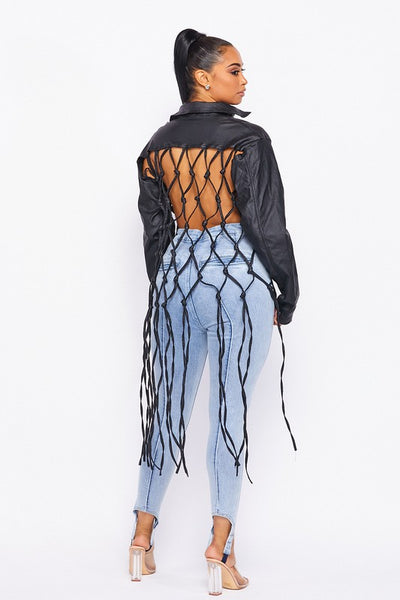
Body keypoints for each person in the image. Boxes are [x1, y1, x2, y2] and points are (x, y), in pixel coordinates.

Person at [128, 28, 300, 594]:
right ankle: (219, 550)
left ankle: (141, 538)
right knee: (228, 412)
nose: (244, 79)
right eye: (234, 69)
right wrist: (287, 294)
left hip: (178, 278)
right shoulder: (248, 139)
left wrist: (169, 288)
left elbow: (155, 234)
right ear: (202, 77)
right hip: (237, 277)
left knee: (168, 407)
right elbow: (267, 227)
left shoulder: (155, 146)